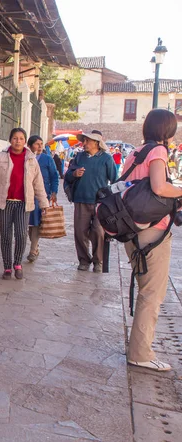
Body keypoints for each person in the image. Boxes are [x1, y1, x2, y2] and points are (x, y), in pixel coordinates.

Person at [121, 109, 180, 372]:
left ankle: (138, 347)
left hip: (132, 229)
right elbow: (158, 187)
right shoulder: (158, 152)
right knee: (152, 293)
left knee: (146, 288)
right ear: (166, 129)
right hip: (152, 231)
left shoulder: (137, 152)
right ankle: (141, 353)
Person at [0, 128, 49, 280]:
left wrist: (44, 203)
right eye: (15, 138)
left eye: (21, 138)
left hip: (23, 204)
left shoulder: (31, 160)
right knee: (6, 236)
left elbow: (38, 183)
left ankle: (17, 264)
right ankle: (7, 267)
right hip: (3, 203)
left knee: (21, 234)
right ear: (10, 140)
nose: (17, 141)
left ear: (25, 141)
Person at [64, 131, 117, 273]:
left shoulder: (106, 159)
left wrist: (112, 200)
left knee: (98, 232)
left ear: (96, 143)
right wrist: (74, 174)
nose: (84, 143)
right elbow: (68, 175)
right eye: (84, 141)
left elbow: (115, 180)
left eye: (87, 141)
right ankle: (83, 260)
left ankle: (98, 261)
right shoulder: (79, 157)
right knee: (80, 232)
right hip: (81, 200)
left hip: (100, 203)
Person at [27, 135, 59, 262]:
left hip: (40, 195)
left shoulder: (47, 159)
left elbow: (54, 176)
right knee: (29, 224)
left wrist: (54, 192)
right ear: (29, 146)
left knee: (36, 223)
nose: (40, 146)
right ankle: (34, 244)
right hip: (26, 195)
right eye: (37, 144)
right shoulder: (26, 159)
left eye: (41, 144)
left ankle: (33, 249)